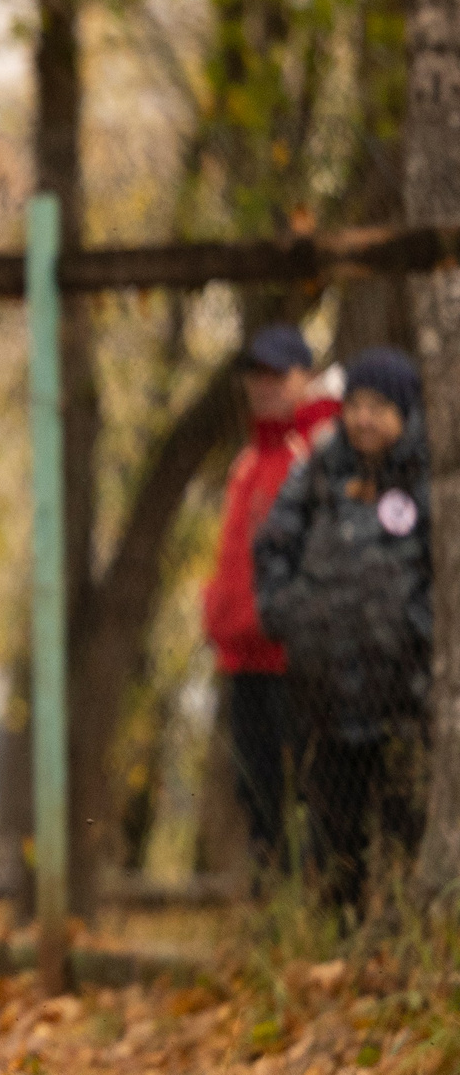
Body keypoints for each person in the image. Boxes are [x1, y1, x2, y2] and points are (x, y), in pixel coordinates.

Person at [253, 346, 433, 909]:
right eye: (354, 405)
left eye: (379, 407)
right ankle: (337, 938)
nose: (363, 419)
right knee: (334, 844)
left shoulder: (427, 481)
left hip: (404, 704)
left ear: (405, 413)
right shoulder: (318, 474)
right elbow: (273, 546)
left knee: (404, 836)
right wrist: (288, 613)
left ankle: (400, 935)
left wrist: (419, 627)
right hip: (326, 703)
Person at [201, 325, 338, 863]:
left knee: (301, 790)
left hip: (292, 658)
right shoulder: (248, 462)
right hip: (244, 657)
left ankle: (309, 895)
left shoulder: (314, 453)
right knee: (256, 793)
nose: (264, 386)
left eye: (278, 375)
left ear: (305, 378)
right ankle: (269, 895)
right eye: (256, 375)